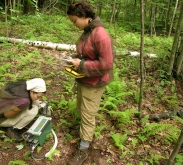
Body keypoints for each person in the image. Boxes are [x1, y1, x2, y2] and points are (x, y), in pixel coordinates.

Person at [66, 2, 114, 165]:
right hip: (84, 78)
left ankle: (83, 149)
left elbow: (107, 64)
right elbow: (87, 52)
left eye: (74, 21)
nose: (74, 25)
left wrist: (82, 64)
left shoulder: (100, 34)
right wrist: (75, 57)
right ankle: (82, 131)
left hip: (94, 82)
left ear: (83, 17)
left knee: (88, 114)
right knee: (81, 107)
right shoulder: (88, 31)